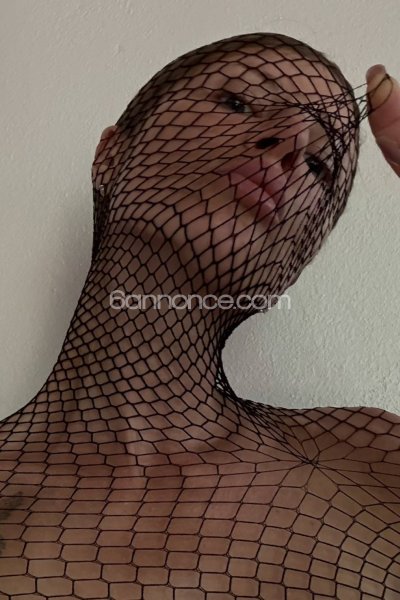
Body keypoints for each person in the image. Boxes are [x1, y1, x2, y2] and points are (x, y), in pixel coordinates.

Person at [0, 32, 399, 600]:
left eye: (318, 164)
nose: (290, 138)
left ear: (296, 261)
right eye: (239, 102)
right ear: (112, 156)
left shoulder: (371, 459)